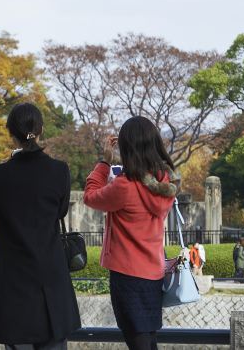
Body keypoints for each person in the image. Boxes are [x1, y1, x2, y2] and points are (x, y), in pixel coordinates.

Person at [0, 103, 80, 350]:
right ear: (41, 130)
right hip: (50, 278)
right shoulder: (59, 170)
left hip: (14, 279)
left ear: (11, 134)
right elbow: (61, 211)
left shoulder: (0, 174)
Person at [84, 116, 177, 350]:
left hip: (127, 274)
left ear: (126, 147)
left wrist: (104, 164)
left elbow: (90, 195)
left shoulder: (125, 186)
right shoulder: (165, 182)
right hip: (154, 274)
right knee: (147, 338)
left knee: (137, 340)